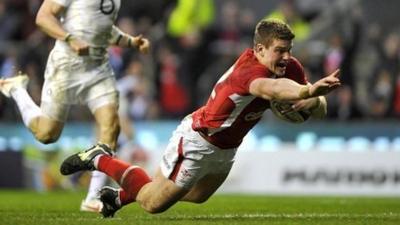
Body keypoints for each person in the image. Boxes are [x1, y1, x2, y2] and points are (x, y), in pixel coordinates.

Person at [59, 18, 341, 217]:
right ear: (259, 50)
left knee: (197, 196)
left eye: (288, 50)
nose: (285, 57)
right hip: (199, 140)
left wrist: (313, 99)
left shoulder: (289, 67)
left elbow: (318, 106)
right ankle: (100, 158)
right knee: (153, 204)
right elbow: (270, 88)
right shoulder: (250, 72)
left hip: (227, 146)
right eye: (279, 50)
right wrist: (307, 89)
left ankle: (118, 197)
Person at [0, 0, 149, 212]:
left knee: (111, 126)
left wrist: (131, 41)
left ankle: (92, 197)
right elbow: (43, 17)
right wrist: (69, 38)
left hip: (98, 69)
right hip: (66, 67)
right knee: (46, 134)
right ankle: (16, 89)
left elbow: (102, 29)